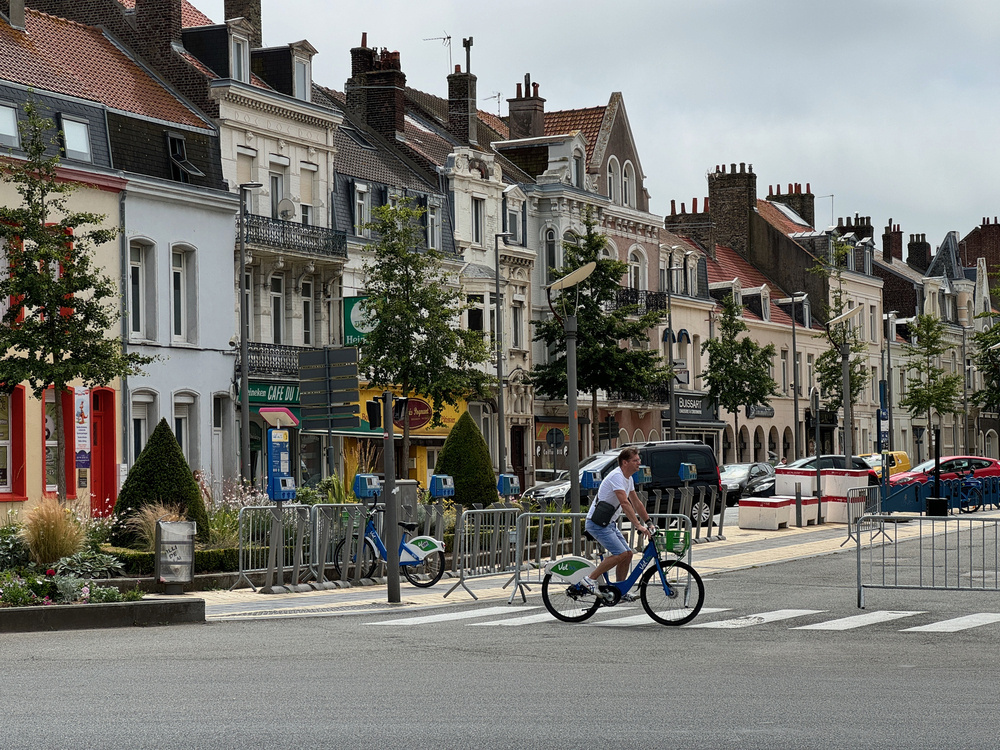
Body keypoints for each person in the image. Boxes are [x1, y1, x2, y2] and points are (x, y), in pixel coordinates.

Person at [580, 446, 653, 602]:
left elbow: (637, 502)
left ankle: (620, 589)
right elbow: (625, 503)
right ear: (624, 462)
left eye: (639, 460)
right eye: (635, 460)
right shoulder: (617, 477)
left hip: (609, 524)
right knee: (620, 554)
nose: (639, 463)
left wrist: (648, 522)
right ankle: (590, 579)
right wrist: (638, 526)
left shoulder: (628, 479)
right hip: (596, 524)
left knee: (627, 555)